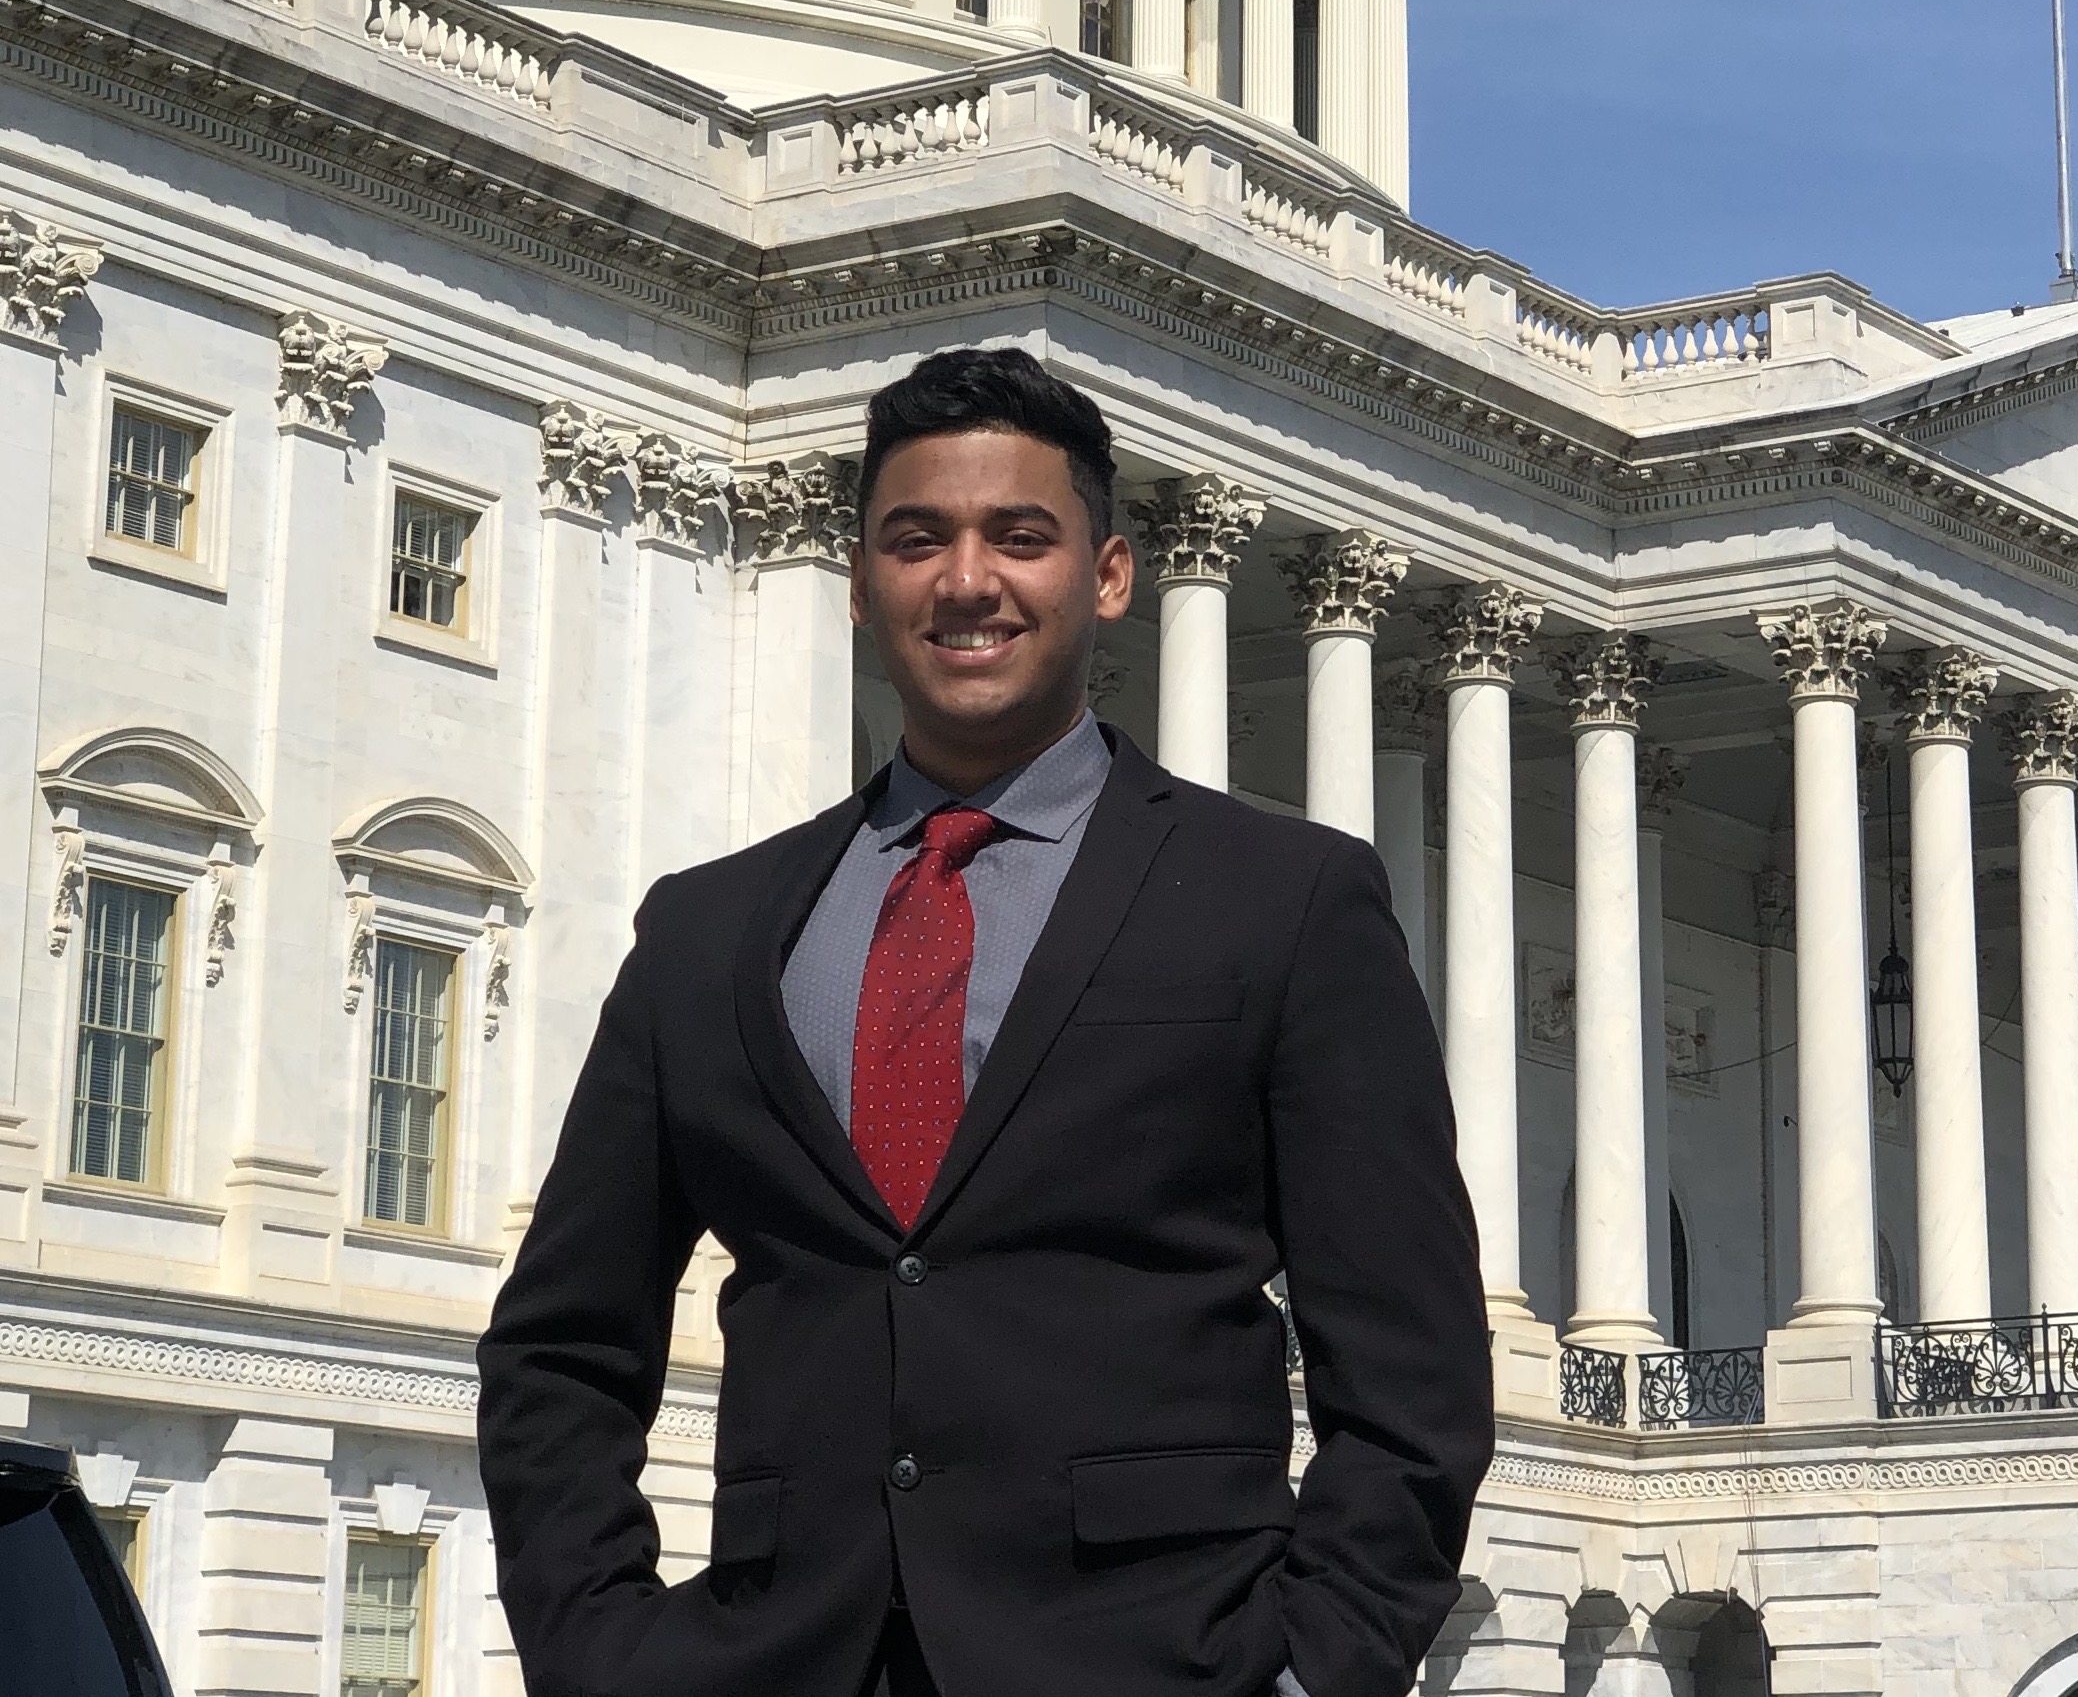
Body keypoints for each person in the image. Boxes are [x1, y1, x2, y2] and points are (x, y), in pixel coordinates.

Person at [477, 345, 1492, 1697]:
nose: (967, 580)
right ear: (858, 581)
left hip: (1162, 1662)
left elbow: (1412, 1367)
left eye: (1020, 535)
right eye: (916, 538)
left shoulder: (1286, 902)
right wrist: (600, 1650)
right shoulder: (706, 930)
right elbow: (563, 1341)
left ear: (1110, 572)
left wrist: (1312, 1669)